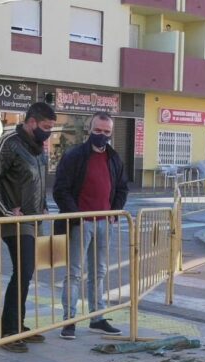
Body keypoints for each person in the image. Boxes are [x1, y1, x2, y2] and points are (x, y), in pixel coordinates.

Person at [0, 101, 57, 353]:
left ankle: (18, 324)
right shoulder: (9, 143)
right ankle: (9, 331)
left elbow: (38, 180)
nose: (48, 132)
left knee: (27, 273)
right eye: (46, 126)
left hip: (35, 220)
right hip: (17, 221)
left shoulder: (36, 148)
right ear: (32, 122)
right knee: (22, 271)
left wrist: (44, 205)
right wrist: (5, 212)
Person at [53, 112, 128, 339]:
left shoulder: (114, 158)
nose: (102, 135)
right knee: (74, 273)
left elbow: (122, 188)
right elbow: (61, 189)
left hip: (105, 223)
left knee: (99, 272)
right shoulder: (75, 156)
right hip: (80, 224)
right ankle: (70, 320)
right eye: (98, 131)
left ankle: (97, 317)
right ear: (90, 130)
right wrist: (76, 215)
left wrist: (114, 211)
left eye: (106, 132)